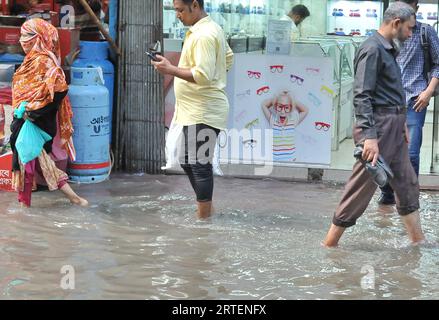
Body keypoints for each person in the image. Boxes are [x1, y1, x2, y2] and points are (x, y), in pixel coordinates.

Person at [323, 2, 425, 247]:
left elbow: (390, 91)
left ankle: (418, 241)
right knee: (361, 185)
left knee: (406, 182)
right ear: (396, 23)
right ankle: (329, 244)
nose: (411, 34)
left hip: (393, 126)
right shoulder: (372, 49)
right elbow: (362, 95)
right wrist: (370, 137)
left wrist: (401, 124)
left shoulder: (389, 49)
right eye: (409, 29)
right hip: (378, 128)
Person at [152, 0, 233, 219]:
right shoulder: (207, 28)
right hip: (194, 109)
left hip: (204, 110)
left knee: (198, 163)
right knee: (187, 160)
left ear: (195, 5)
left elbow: (203, 75)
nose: (177, 15)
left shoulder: (204, 35)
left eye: (180, 10)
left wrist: (171, 69)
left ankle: (204, 219)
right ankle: (207, 209)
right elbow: (228, 58)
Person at [10, 18, 88, 208]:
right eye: (20, 36)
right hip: (25, 121)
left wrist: (33, 108)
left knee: (28, 165)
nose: (21, 40)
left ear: (38, 38)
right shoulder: (30, 61)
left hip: (36, 122)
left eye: (26, 36)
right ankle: (75, 199)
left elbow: (59, 90)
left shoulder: (44, 61)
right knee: (41, 164)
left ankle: (24, 208)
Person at [378, 0, 439, 205]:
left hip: (415, 100)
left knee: (411, 152)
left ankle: (408, 198)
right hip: (389, 101)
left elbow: (438, 63)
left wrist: (428, 91)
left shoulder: (425, 32)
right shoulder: (388, 32)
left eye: (409, 6)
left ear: (416, 8)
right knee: (386, 150)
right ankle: (387, 193)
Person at [261, 90, 308, 162]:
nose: (282, 111)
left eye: (286, 107)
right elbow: (264, 104)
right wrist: (276, 99)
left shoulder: (293, 121)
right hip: (275, 162)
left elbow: (305, 110)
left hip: (291, 162)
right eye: (280, 107)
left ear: (291, 108)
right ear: (276, 107)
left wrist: (291, 100)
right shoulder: (273, 121)